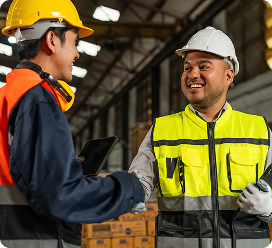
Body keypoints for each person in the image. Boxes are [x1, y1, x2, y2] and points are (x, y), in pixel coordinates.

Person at [0, 0, 144, 247]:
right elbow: (60, 196)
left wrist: (62, 166)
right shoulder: (37, 99)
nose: (77, 53)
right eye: (75, 41)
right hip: (32, 238)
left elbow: (23, 174)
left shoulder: (9, 95)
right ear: (52, 40)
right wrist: (130, 187)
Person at [129, 26, 272, 248]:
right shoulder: (162, 130)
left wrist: (269, 209)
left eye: (203, 66)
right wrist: (131, 192)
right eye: (187, 68)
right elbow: (140, 181)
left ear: (228, 75)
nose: (192, 74)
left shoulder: (259, 130)